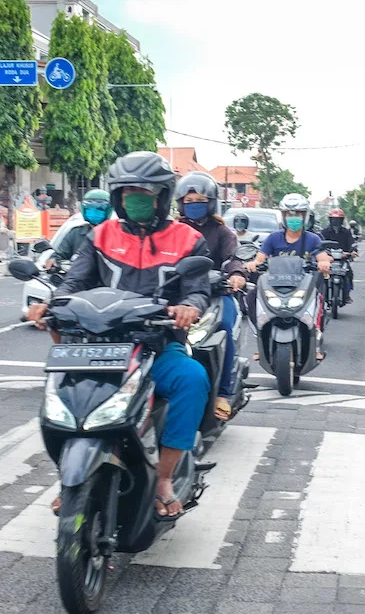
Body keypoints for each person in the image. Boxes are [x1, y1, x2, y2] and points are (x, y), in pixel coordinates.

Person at [28, 152, 211, 521]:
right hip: (97, 347)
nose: (135, 199)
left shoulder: (187, 238)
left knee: (193, 379)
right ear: (117, 198)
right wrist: (51, 305)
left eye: (143, 192)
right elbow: (74, 282)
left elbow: (197, 288)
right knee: (59, 396)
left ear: (161, 196)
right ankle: (70, 479)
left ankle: (163, 478)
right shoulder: (100, 236)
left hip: (155, 347)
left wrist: (189, 305)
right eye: (127, 193)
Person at [175, 172, 246, 422]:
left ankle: (223, 393)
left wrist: (236, 274)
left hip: (217, 294)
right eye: (189, 199)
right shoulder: (174, 230)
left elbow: (234, 258)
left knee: (225, 329)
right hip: (180, 297)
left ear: (212, 202)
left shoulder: (222, 232)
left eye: (200, 200)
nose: (194, 204)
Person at [246, 193, 330, 358]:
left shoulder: (312, 239)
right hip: (275, 283)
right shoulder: (273, 238)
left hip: (303, 284)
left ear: (305, 216)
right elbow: (260, 257)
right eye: (289, 214)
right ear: (283, 216)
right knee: (252, 296)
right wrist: (253, 263)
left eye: (298, 214)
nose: (293, 218)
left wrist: (324, 263)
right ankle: (260, 337)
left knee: (318, 299)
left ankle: (316, 340)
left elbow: (322, 256)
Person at [46, 188, 112, 268]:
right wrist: (53, 261)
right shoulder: (76, 233)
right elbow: (59, 254)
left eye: (99, 209)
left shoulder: (117, 235)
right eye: (90, 209)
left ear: (108, 210)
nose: (94, 212)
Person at [319, 208, 357, 302]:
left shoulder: (346, 232)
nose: (336, 222)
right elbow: (319, 245)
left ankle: (347, 294)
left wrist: (353, 251)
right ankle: (320, 294)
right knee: (320, 274)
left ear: (342, 220)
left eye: (338, 220)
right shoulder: (324, 232)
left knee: (349, 273)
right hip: (328, 258)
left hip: (342, 258)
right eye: (334, 219)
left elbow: (351, 243)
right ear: (330, 220)